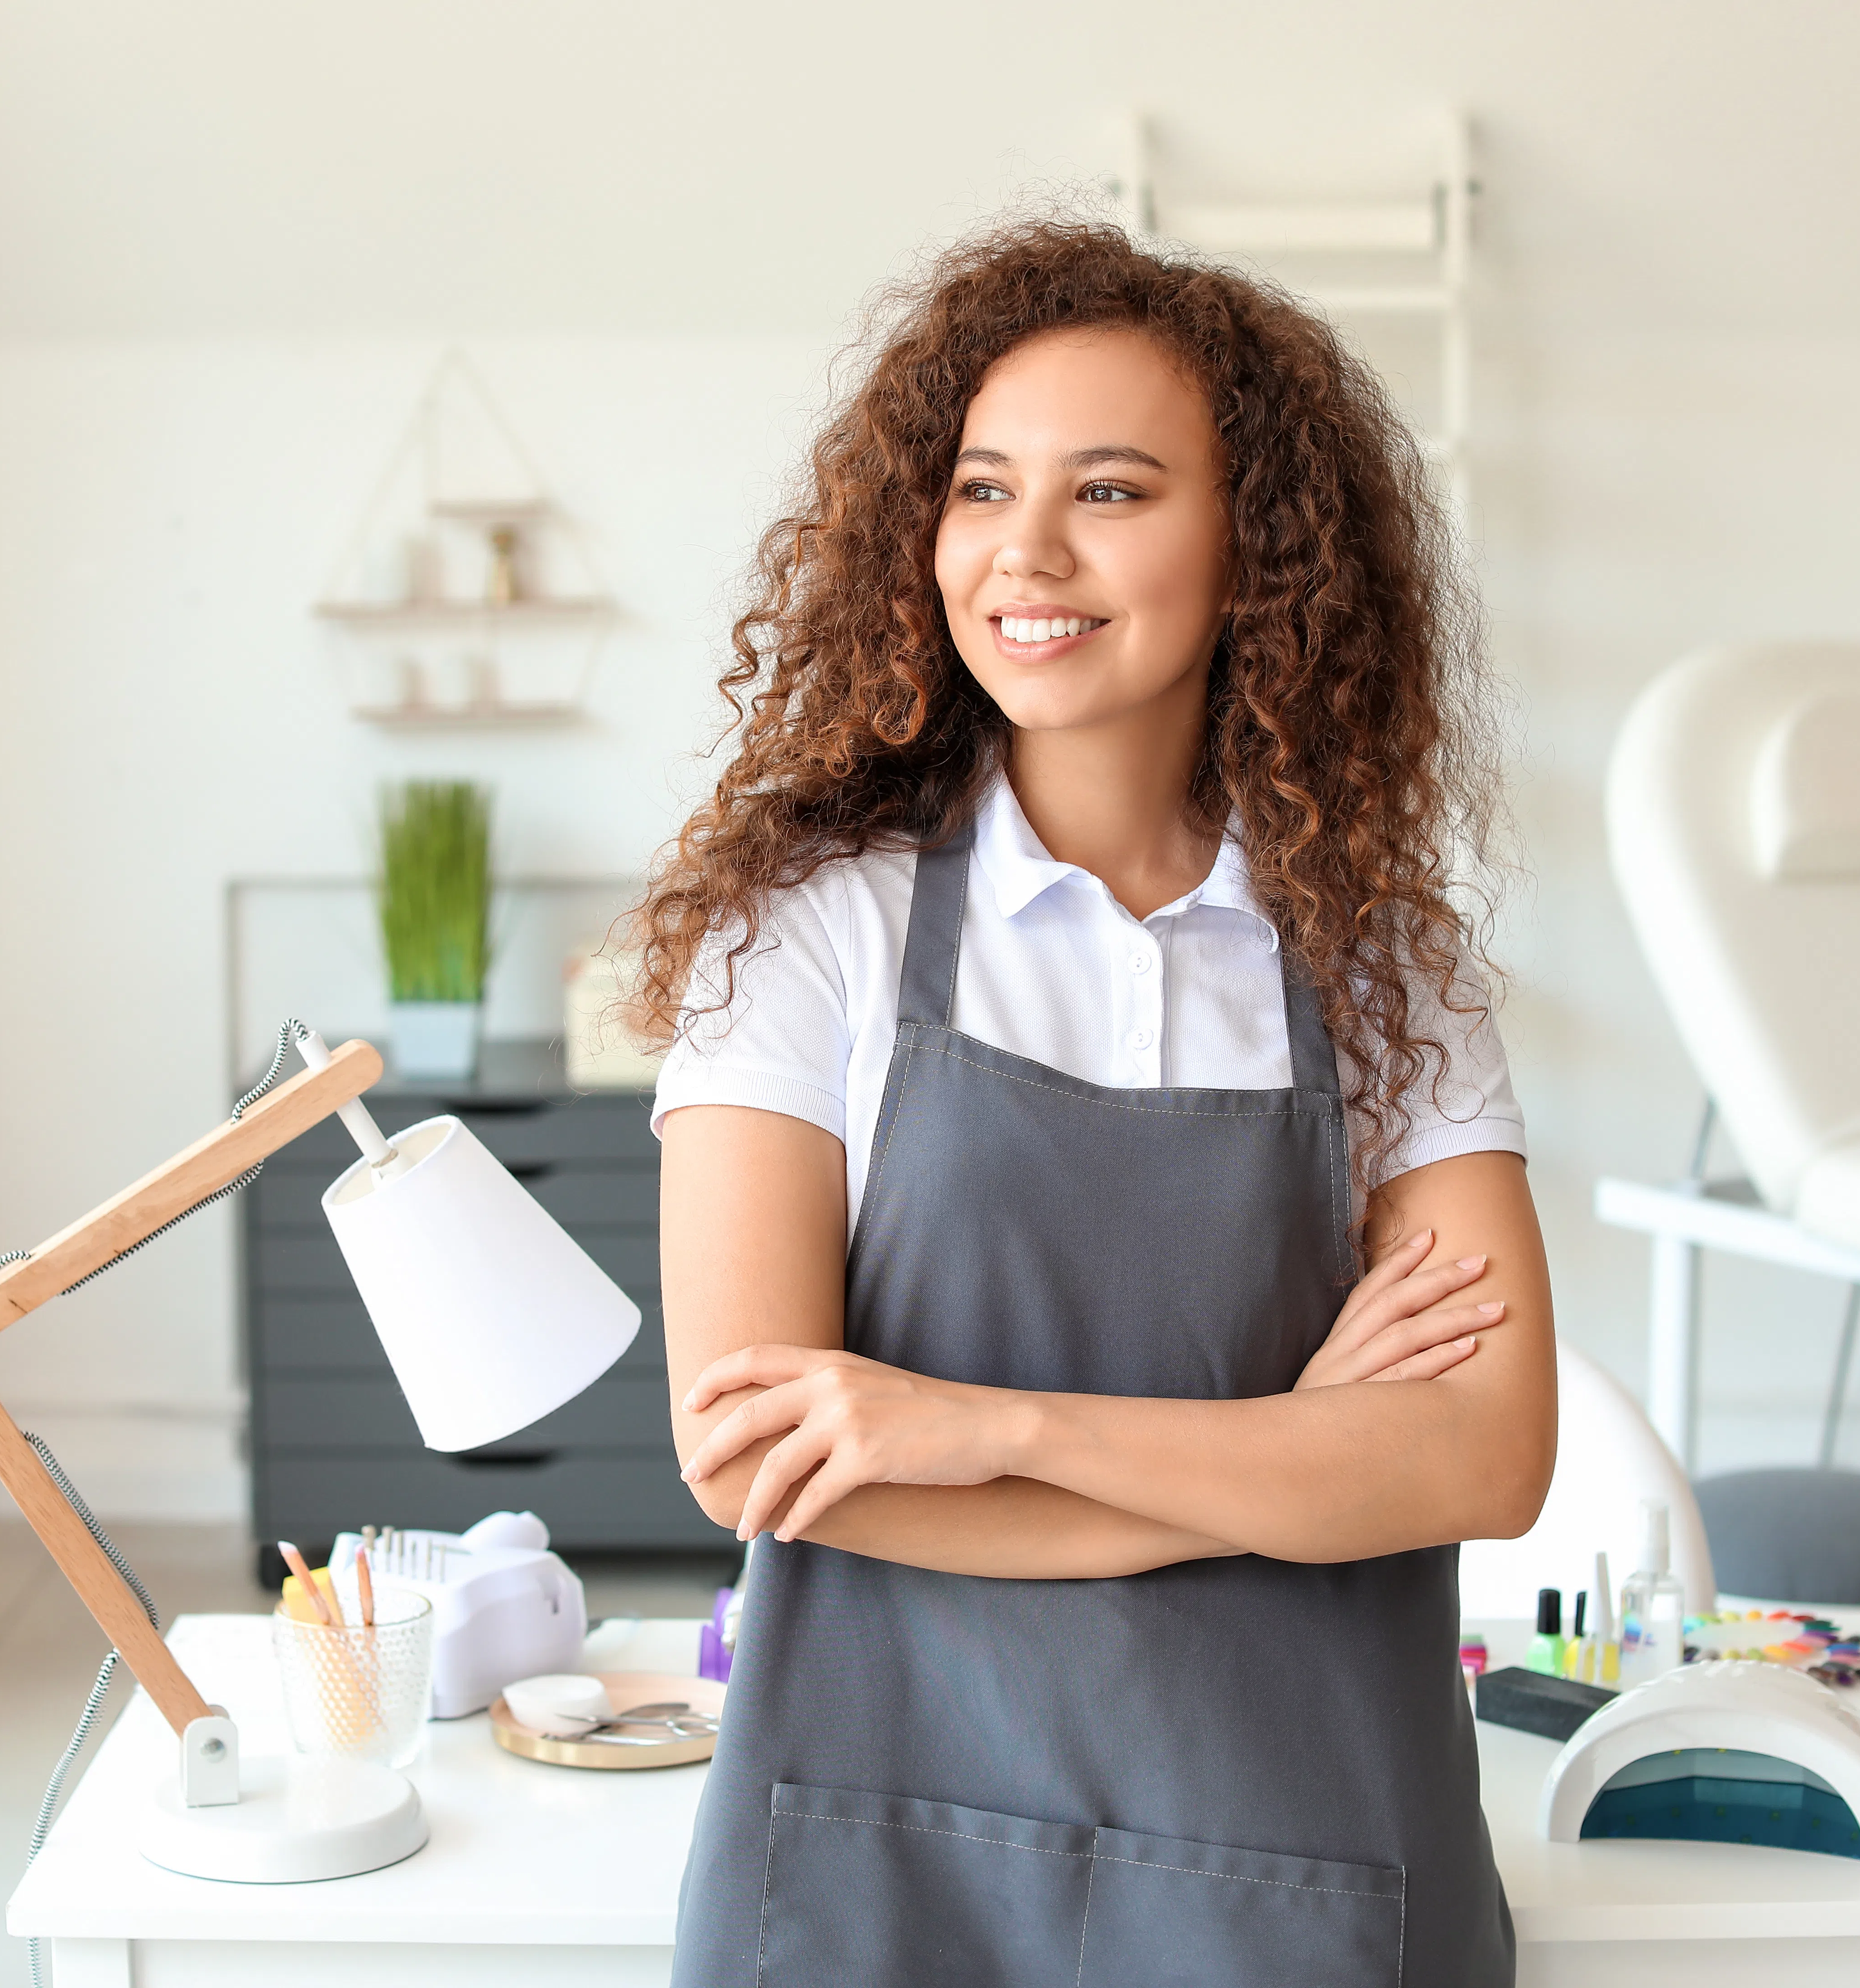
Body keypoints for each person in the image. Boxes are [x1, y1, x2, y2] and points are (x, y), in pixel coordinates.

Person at [631, 217, 1555, 1987]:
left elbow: (1484, 1453)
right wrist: (1292, 1452)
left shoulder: (1387, 969)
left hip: (1301, 1859)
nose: (1023, 550)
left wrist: (982, 1425)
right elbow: (755, 1448)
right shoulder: (808, 935)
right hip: (877, 1859)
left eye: (1112, 490)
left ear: (1255, 553)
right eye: (979, 488)